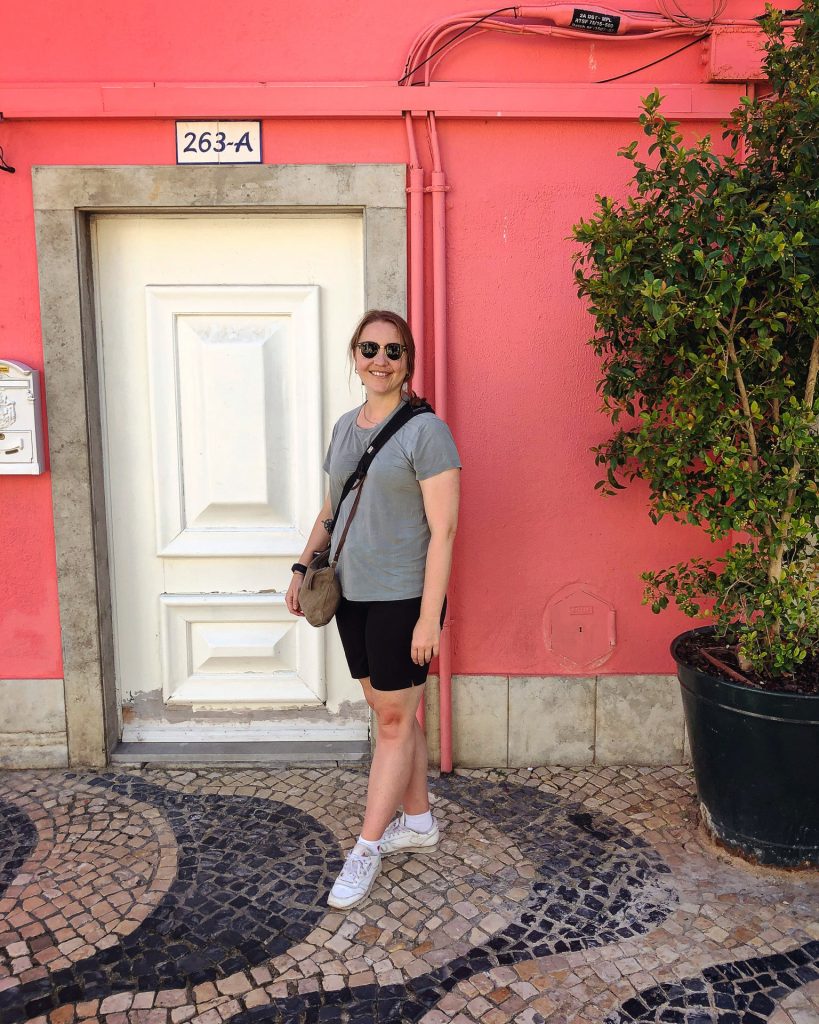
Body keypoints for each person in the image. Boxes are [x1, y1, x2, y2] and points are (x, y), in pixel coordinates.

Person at [286, 309, 460, 910]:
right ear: (354, 357)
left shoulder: (426, 432)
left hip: (403, 598)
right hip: (352, 596)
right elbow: (331, 508)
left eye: (393, 351)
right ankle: (418, 820)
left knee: (390, 722)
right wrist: (303, 564)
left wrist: (426, 619)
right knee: (392, 713)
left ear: (408, 360)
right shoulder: (344, 426)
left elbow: (444, 532)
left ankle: (364, 849)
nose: (380, 361)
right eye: (369, 349)